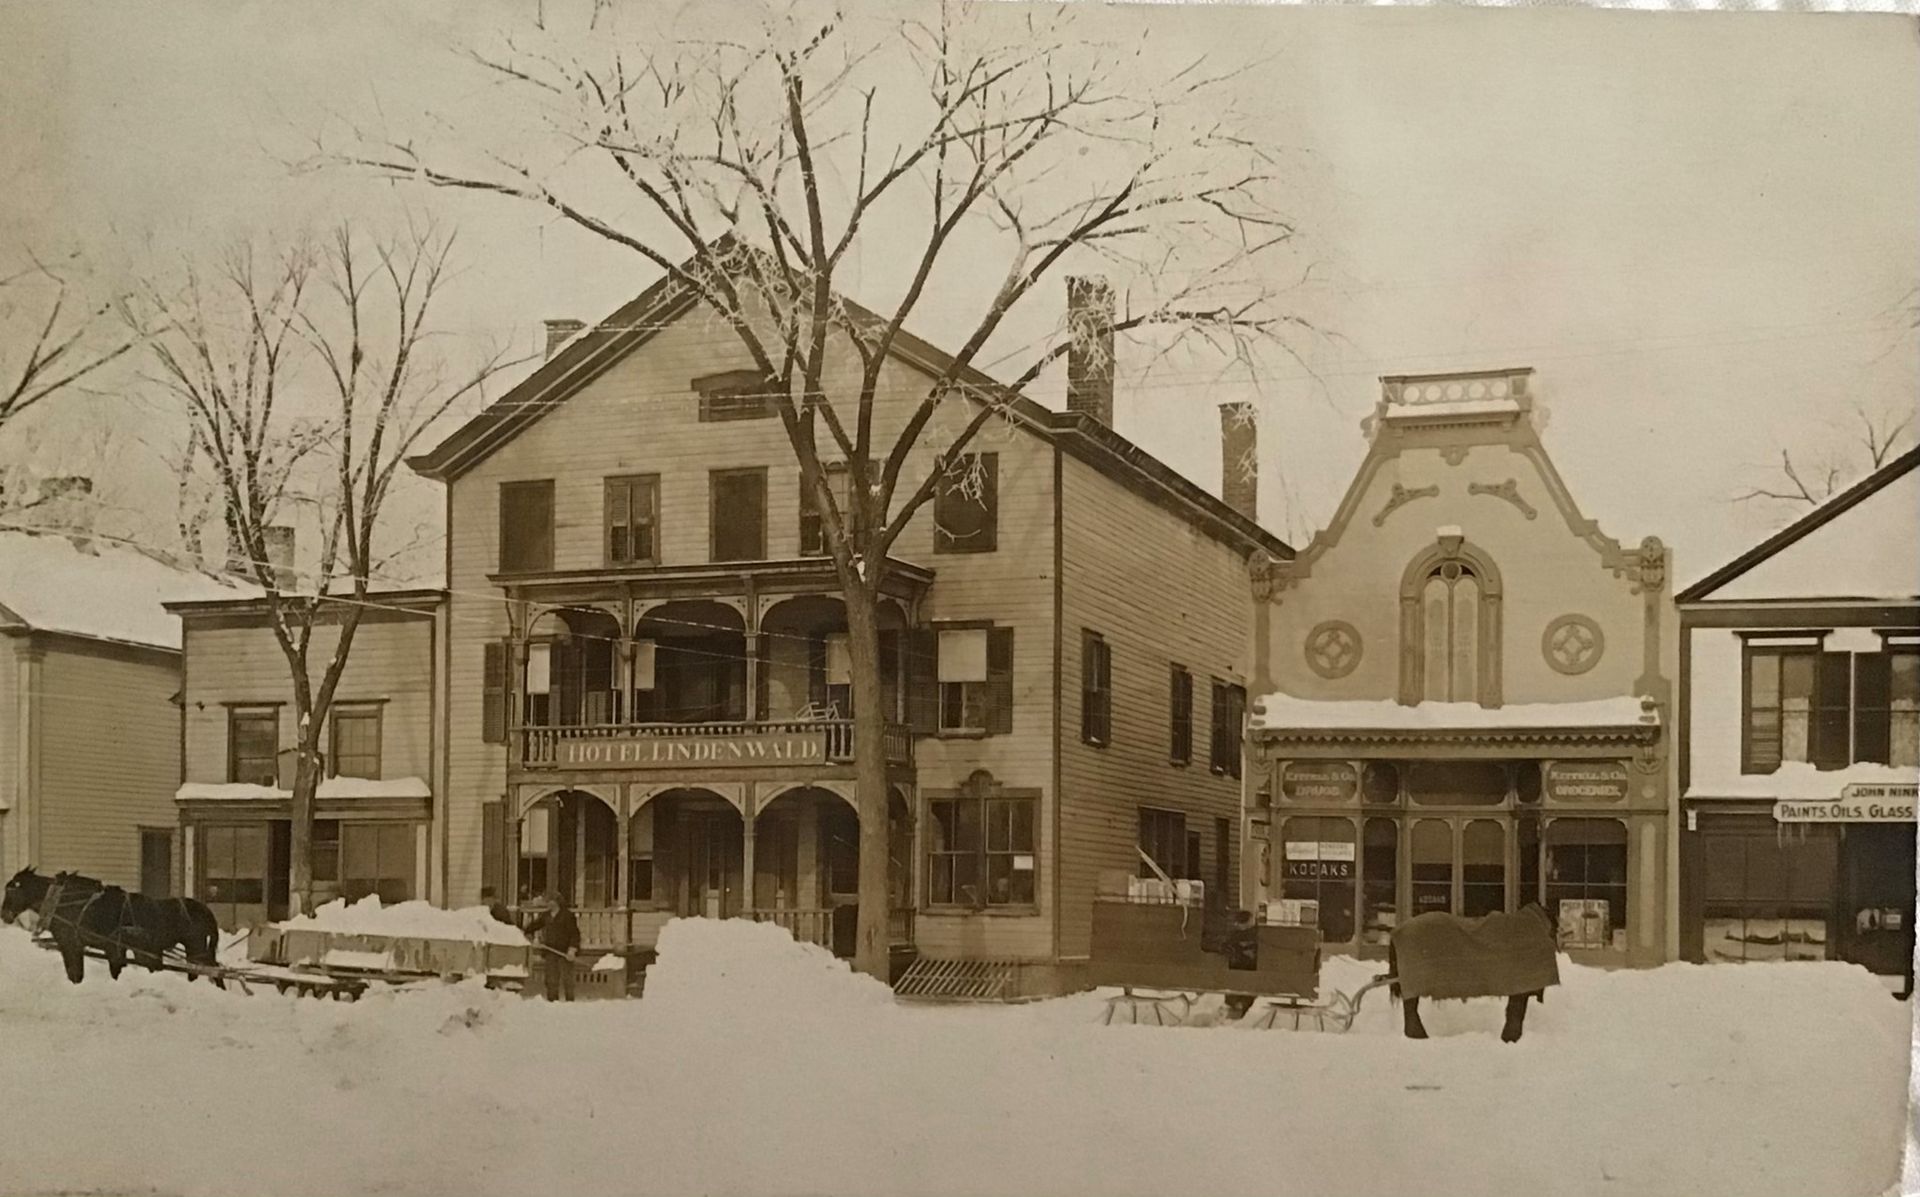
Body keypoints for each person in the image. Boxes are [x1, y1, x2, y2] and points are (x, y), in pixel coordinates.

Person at [529, 894, 581, 1001]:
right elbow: (536, 925)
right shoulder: (546, 916)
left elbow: (574, 934)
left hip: (565, 951)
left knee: (568, 979)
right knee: (551, 979)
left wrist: (572, 949)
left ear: (556, 902)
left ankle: (570, 1002)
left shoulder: (567, 915)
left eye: (550, 901)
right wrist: (525, 931)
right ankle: (552, 1001)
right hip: (550, 950)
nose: (547, 903)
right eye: (547, 901)